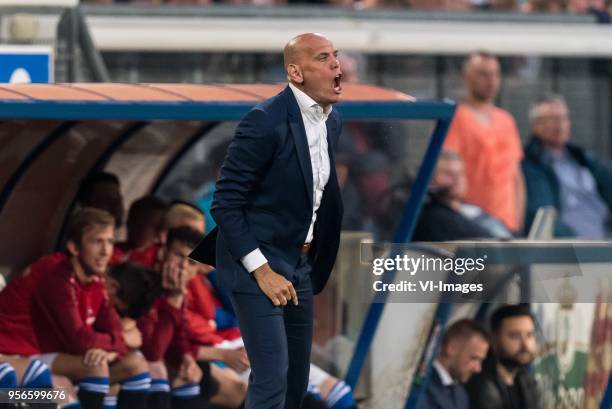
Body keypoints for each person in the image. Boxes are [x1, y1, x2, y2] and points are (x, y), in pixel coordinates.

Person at [207, 32, 344, 408]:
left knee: (297, 381)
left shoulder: (332, 122)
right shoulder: (264, 121)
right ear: (295, 72)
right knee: (272, 379)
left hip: (298, 264)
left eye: (336, 55)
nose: (336, 64)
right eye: (323, 57)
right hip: (256, 263)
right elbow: (226, 204)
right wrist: (262, 270)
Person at [0, 208, 157, 409]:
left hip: (42, 355)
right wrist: (120, 340)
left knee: (135, 366)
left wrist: (109, 348)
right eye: (97, 241)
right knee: (67, 386)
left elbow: (113, 333)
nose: (106, 251)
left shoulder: (97, 280)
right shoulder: (55, 275)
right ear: (74, 247)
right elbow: (80, 342)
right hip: (11, 356)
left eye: (110, 241)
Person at [443, 51, 525, 233]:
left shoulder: (506, 120)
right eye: (483, 74)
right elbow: (447, 173)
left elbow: (516, 176)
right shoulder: (455, 118)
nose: (491, 80)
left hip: (508, 225)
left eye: (495, 74)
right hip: (473, 222)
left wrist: (518, 223)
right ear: (467, 77)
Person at [522, 94, 612, 238]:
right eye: (553, 119)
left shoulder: (585, 159)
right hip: (572, 250)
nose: (560, 124)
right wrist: (577, 247)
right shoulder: (531, 165)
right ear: (536, 126)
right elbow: (543, 216)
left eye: (564, 118)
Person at [413, 150, 513, 241]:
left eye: (460, 173)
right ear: (431, 180)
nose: (457, 179)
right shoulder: (435, 217)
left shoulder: (473, 210)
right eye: (449, 174)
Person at [466, 304, 541, 409]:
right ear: (493, 340)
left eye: (529, 335)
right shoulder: (480, 386)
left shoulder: (526, 381)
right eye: (515, 336)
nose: (525, 345)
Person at [418, 319, 489, 409]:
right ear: (452, 348)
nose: (478, 369)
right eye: (474, 358)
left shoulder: (461, 395)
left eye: (481, 361)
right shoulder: (421, 387)